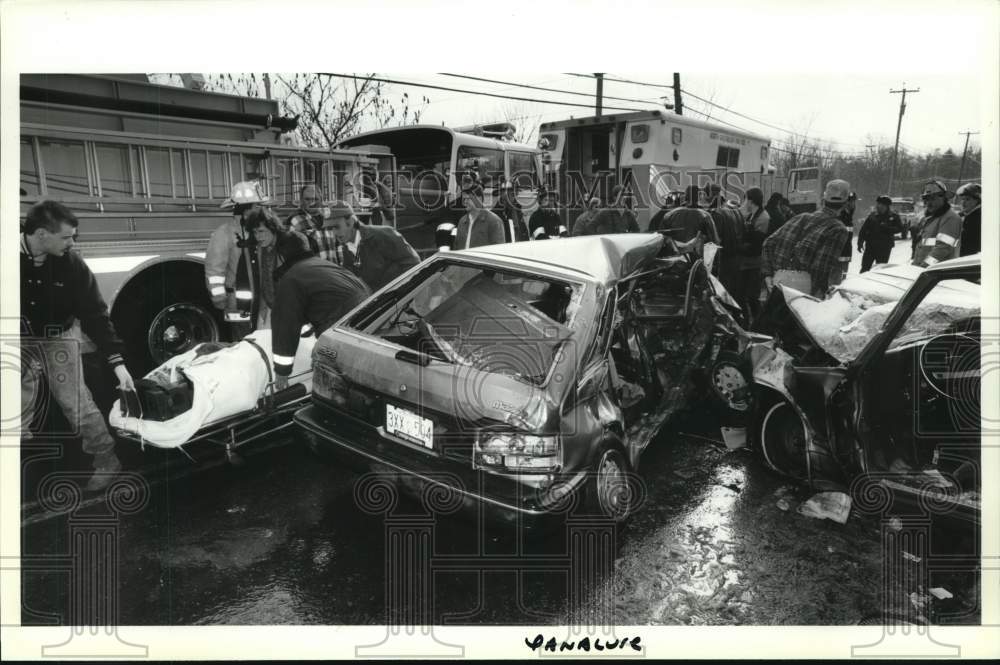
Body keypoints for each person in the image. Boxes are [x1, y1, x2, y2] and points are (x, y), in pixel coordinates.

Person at [20, 201, 136, 492]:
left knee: (76, 403)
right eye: (66, 237)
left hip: (58, 337)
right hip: (17, 337)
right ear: (42, 234)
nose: (72, 243)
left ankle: (106, 459)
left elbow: (95, 314)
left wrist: (118, 363)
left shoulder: (72, 265)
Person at [269, 230, 371, 390]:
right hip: (370, 317)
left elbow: (285, 325)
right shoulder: (323, 265)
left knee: (327, 381)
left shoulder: (292, 278)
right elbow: (322, 301)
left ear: (282, 256)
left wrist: (282, 371)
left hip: (342, 327)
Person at [760, 179, 852, 299]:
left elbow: (768, 243)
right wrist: (816, 297)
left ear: (823, 200)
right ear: (845, 204)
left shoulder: (800, 217)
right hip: (803, 291)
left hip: (777, 283)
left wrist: (767, 275)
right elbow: (820, 268)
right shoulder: (838, 229)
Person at [205, 180, 270, 327]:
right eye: (257, 205)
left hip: (263, 303)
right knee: (241, 340)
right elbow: (214, 271)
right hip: (237, 305)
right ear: (246, 209)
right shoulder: (224, 233)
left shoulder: (262, 231)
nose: (261, 209)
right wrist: (220, 299)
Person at [325, 201, 421, 291]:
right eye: (330, 228)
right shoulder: (346, 250)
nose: (334, 233)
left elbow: (414, 264)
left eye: (336, 227)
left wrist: (399, 292)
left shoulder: (382, 235)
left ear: (350, 222)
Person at [243, 207, 287, 328]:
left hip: (288, 309)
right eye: (255, 232)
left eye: (261, 231)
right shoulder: (258, 249)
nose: (258, 236)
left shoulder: (289, 246)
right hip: (266, 308)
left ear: (273, 228)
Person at [736, 187, 771, 323]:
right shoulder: (752, 215)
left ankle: (758, 323)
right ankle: (747, 322)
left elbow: (756, 245)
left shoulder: (763, 218)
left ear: (750, 201)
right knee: (742, 295)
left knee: (751, 296)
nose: (744, 203)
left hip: (754, 263)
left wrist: (738, 247)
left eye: (746, 199)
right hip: (747, 262)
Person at [912, 180, 964, 268]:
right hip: (926, 269)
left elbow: (943, 249)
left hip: (939, 271)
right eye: (926, 199)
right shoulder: (931, 218)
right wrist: (916, 264)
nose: (929, 203)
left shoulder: (950, 218)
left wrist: (925, 266)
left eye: (933, 199)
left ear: (943, 198)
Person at [654, 184, 719, 254]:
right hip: (695, 257)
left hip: (674, 256)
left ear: (685, 197)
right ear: (698, 197)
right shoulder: (705, 216)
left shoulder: (670, 214)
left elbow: (660, 238)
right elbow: (714, 241)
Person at [706, 183, 745, 296]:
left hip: (724, 259)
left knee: (723, 294)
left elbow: (715, 240)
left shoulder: (717, 213)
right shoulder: (735, 209)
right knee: (735, 293)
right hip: (737, 258)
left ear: (711, 194)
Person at [286, 184, 338, 263]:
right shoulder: (294, 220)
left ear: (321, 199)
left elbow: (339, 245)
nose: (312, 202)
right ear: (301, 200)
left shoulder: (330, 216)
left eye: (315, 199)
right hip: (311, 269)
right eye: (307, 199)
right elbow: (291, 252)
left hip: (334, 268)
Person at [455, 176, 507, 248]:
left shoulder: (494, 221)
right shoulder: (462, 221)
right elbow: (457, 247)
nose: (465, 202)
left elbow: (498, 249)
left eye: (468, 199)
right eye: (464, 199)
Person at [857, 195, 903, 273]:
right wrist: (860, 242)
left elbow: (900, 228)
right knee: (865, 268)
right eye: (878, 204)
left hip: (884, 247)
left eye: (882, 205)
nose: (879, 206)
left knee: (881, 269)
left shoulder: (894, 216)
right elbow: (863, 230)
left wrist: (888, 228)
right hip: (871, 247)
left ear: (887, 206)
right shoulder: (872, 216)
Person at [956, 183, 981, 256]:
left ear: (977, 201)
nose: (963, 203)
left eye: (967, 199)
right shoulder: (967, 215)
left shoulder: (976, 219)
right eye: (962, 199)